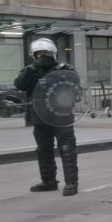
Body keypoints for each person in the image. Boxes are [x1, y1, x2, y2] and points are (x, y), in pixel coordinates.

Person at [14, 38, 80, 196]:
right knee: (44, 150)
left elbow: (75, 84)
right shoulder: (30, 71)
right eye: (40, 53)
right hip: (40, 116)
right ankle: (49, 181)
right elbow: (19, 84)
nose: (43, 56)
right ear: (34, 55)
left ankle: (71, 182)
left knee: (66, 148)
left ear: (53, 54)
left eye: (46, 53)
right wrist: (32, 69)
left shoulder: (65, 69)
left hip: (61, 115)